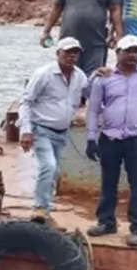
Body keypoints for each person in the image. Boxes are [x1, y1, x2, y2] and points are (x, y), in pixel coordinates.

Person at [85, 34, 137, 246]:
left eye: (136, 51)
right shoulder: (104, 77)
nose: (132, 55)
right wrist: (91, 138)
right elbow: (93, 110)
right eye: (127, 50)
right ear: (117, 52)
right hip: (110, 138)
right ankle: (106, 222)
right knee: (108, 182)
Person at [19, 37, 89, 224]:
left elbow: (90, 95)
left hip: (61, 132)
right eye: (67, 52)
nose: (71, 56)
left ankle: (46, 203)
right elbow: (26, 102)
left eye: (75, 52)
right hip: (41, 129)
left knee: (55, 170)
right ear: (58, 53)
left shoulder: (80, 77)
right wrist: (26, 131)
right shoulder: (44, 74)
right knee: (48, 166)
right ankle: (40, 207)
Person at [40, 0, 124, 76]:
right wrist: (46, 31)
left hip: (96, 43)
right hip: (68, 43)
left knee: (94, 78)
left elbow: (115, 10)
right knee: (66, 75)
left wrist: (119, 35)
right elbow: (56, 8)